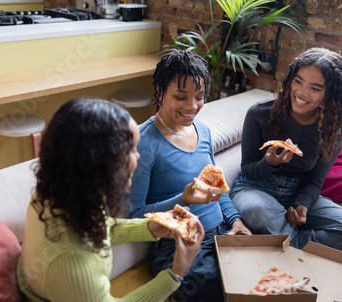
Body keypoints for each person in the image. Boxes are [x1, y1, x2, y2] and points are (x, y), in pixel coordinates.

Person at [16, 98, 205, 302]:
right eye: (132, 150)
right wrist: (176, 273)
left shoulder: (60, 192)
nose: (138, 157)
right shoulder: (73, 265)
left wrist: (149, 227)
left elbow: (99, 227)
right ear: (105, 165)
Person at [229, 47, 342, 259]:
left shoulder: (334, 134)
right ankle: (299, 246)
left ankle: (285, 241)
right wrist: (269, 163)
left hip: (296, 192)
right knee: (257, 212)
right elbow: (248, 170)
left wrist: (302, 206)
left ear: (330, 95)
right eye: (298, 81)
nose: (301, 93)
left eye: (315, 88)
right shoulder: (259, 113)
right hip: (255, 188)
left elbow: (314, 182)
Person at [129, 50, 251, 302]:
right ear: (160, 92)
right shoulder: (144, 142)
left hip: (221, 235)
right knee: (229, 291)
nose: (192, 106)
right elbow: (133, 217)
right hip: (178, 247)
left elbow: (217, 190)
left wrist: (236, 220)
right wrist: (183, 199)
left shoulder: (203, 131)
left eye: (199, 97)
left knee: (263, 277)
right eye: (181, 97)